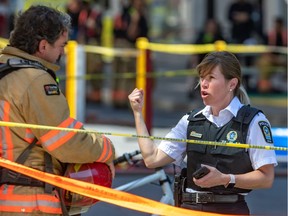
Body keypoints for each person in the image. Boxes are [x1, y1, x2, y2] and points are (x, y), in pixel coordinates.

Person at [128, 51, 277, 215]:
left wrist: (226, 179)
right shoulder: (190, 121)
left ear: (232, 84)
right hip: (189, 209)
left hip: (230, 210)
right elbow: (152, 159)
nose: (203, 84)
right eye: (202, 77)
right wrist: (137, 113)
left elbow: (266, 178)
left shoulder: (254, 121)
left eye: (211, 78)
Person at [0, 5, 115, 215]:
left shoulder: (4, 71)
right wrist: (106, 148)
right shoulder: (35, 80)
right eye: (61, 45)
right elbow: (64, 141)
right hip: (30, 200)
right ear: (43, 46)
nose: (63, 52)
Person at [256, 17, 287, 93]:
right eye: (276, 25)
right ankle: (264, 88)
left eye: (279, 26)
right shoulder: (269, 36)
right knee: (263, 63)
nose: (277, 27)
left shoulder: (286, 36)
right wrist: (273, 58)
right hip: (270, 59)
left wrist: (281, 59)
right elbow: (264, 50)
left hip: (284, 59)